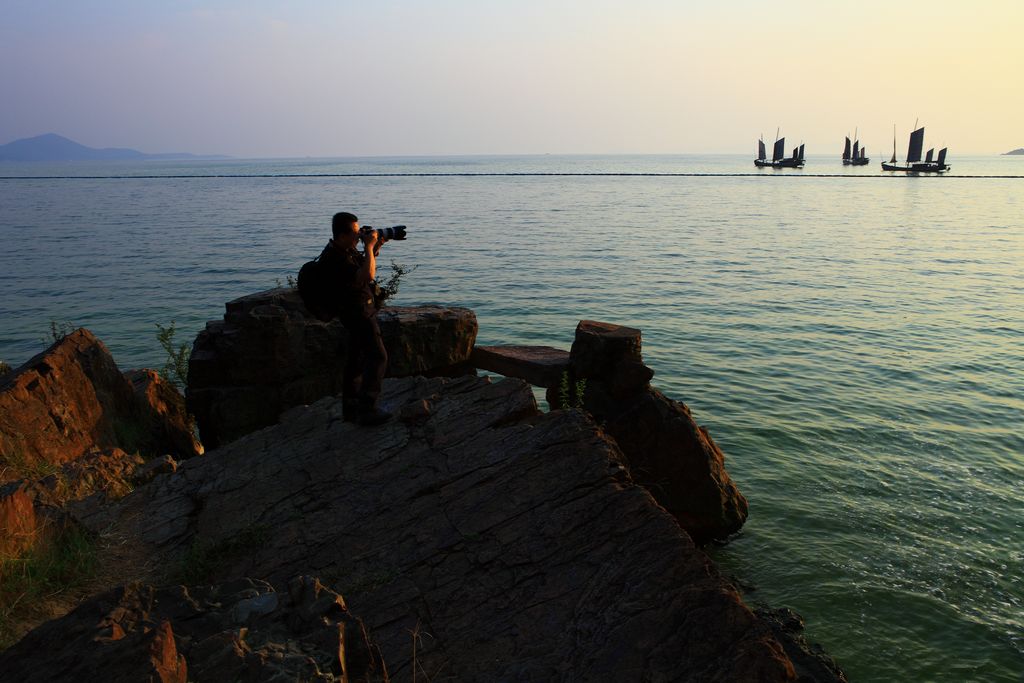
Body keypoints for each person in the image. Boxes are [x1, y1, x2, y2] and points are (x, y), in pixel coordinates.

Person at [319, 211, 391, 426]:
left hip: (353, 312)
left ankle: (350, 409)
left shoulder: (340, 250)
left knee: (356, 359)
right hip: (358, 313)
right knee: (378, 357)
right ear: (342, 235)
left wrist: (376, 246)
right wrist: (368, 247)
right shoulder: (335, 259)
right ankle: (367, 409)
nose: (359, 237)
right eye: (356, 233)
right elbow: (366, 276)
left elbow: (363, 267)